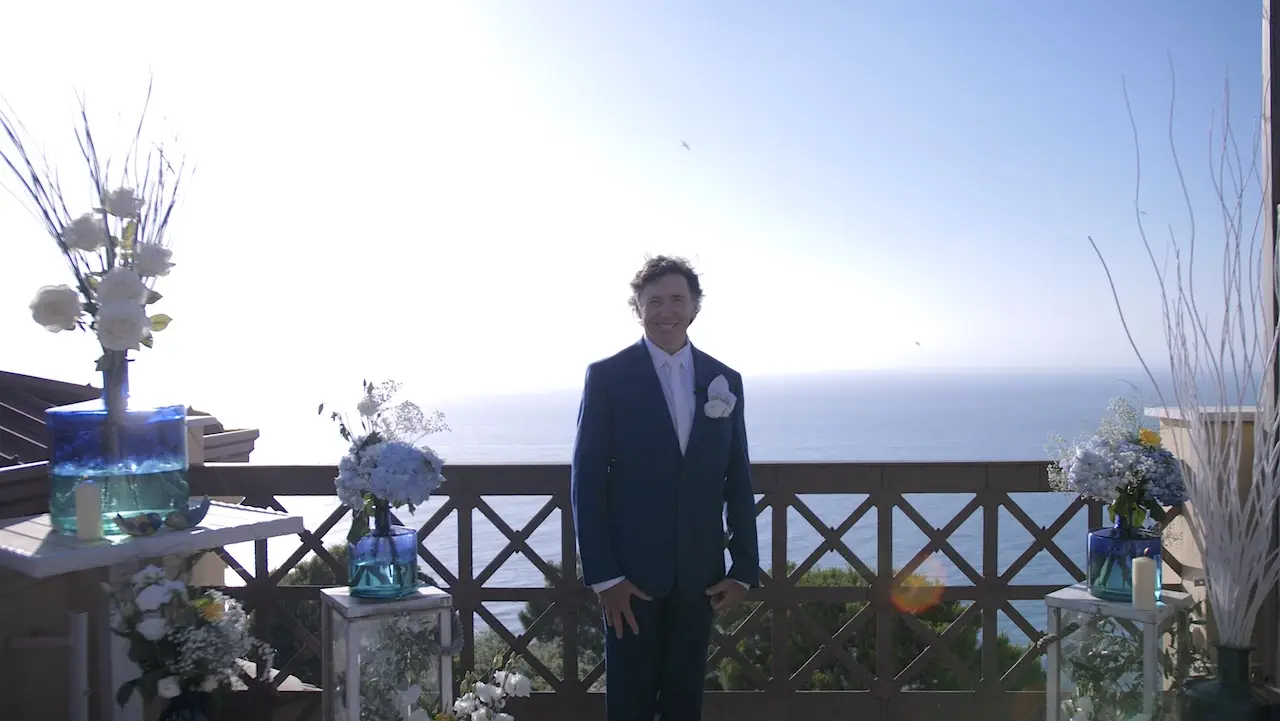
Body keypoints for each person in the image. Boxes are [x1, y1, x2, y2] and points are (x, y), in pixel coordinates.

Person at [571, 255, 759, 721]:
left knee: (684, 703)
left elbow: (738, 477)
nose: (666, 310)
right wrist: (605, 578)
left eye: (677, 298)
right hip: (630, 580)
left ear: (695, 306)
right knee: (629, 703)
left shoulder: (724, 380)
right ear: (637, 308)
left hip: (701, 576)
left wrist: (743, 568)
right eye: (654, 301)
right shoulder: (608, 377)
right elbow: (586, 481)